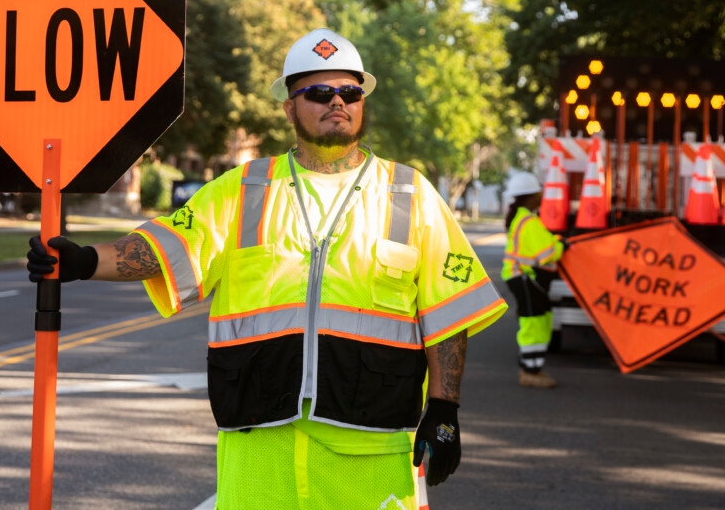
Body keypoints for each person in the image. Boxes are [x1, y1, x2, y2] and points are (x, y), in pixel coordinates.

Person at [27, 27, 508, 509]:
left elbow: (448, 312)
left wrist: (445, 409)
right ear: (289, 106)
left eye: (350, 91)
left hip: (374, 452)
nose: (337, 102)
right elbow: (167, 248)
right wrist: (85, 261)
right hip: (258, 451)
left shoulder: (410, 194)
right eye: (319, 92)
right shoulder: (244, 189)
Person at [500, 172, 564, 388]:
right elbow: (547, 253)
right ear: (530, 196)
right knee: (532, 322)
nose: (541, 196)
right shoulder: (528, 221)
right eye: (538, 192)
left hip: (524, 278)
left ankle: (534, 367)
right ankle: (529, 372)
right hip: (525, 278)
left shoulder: (524, 218)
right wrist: (562, 245)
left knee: (540, 320)